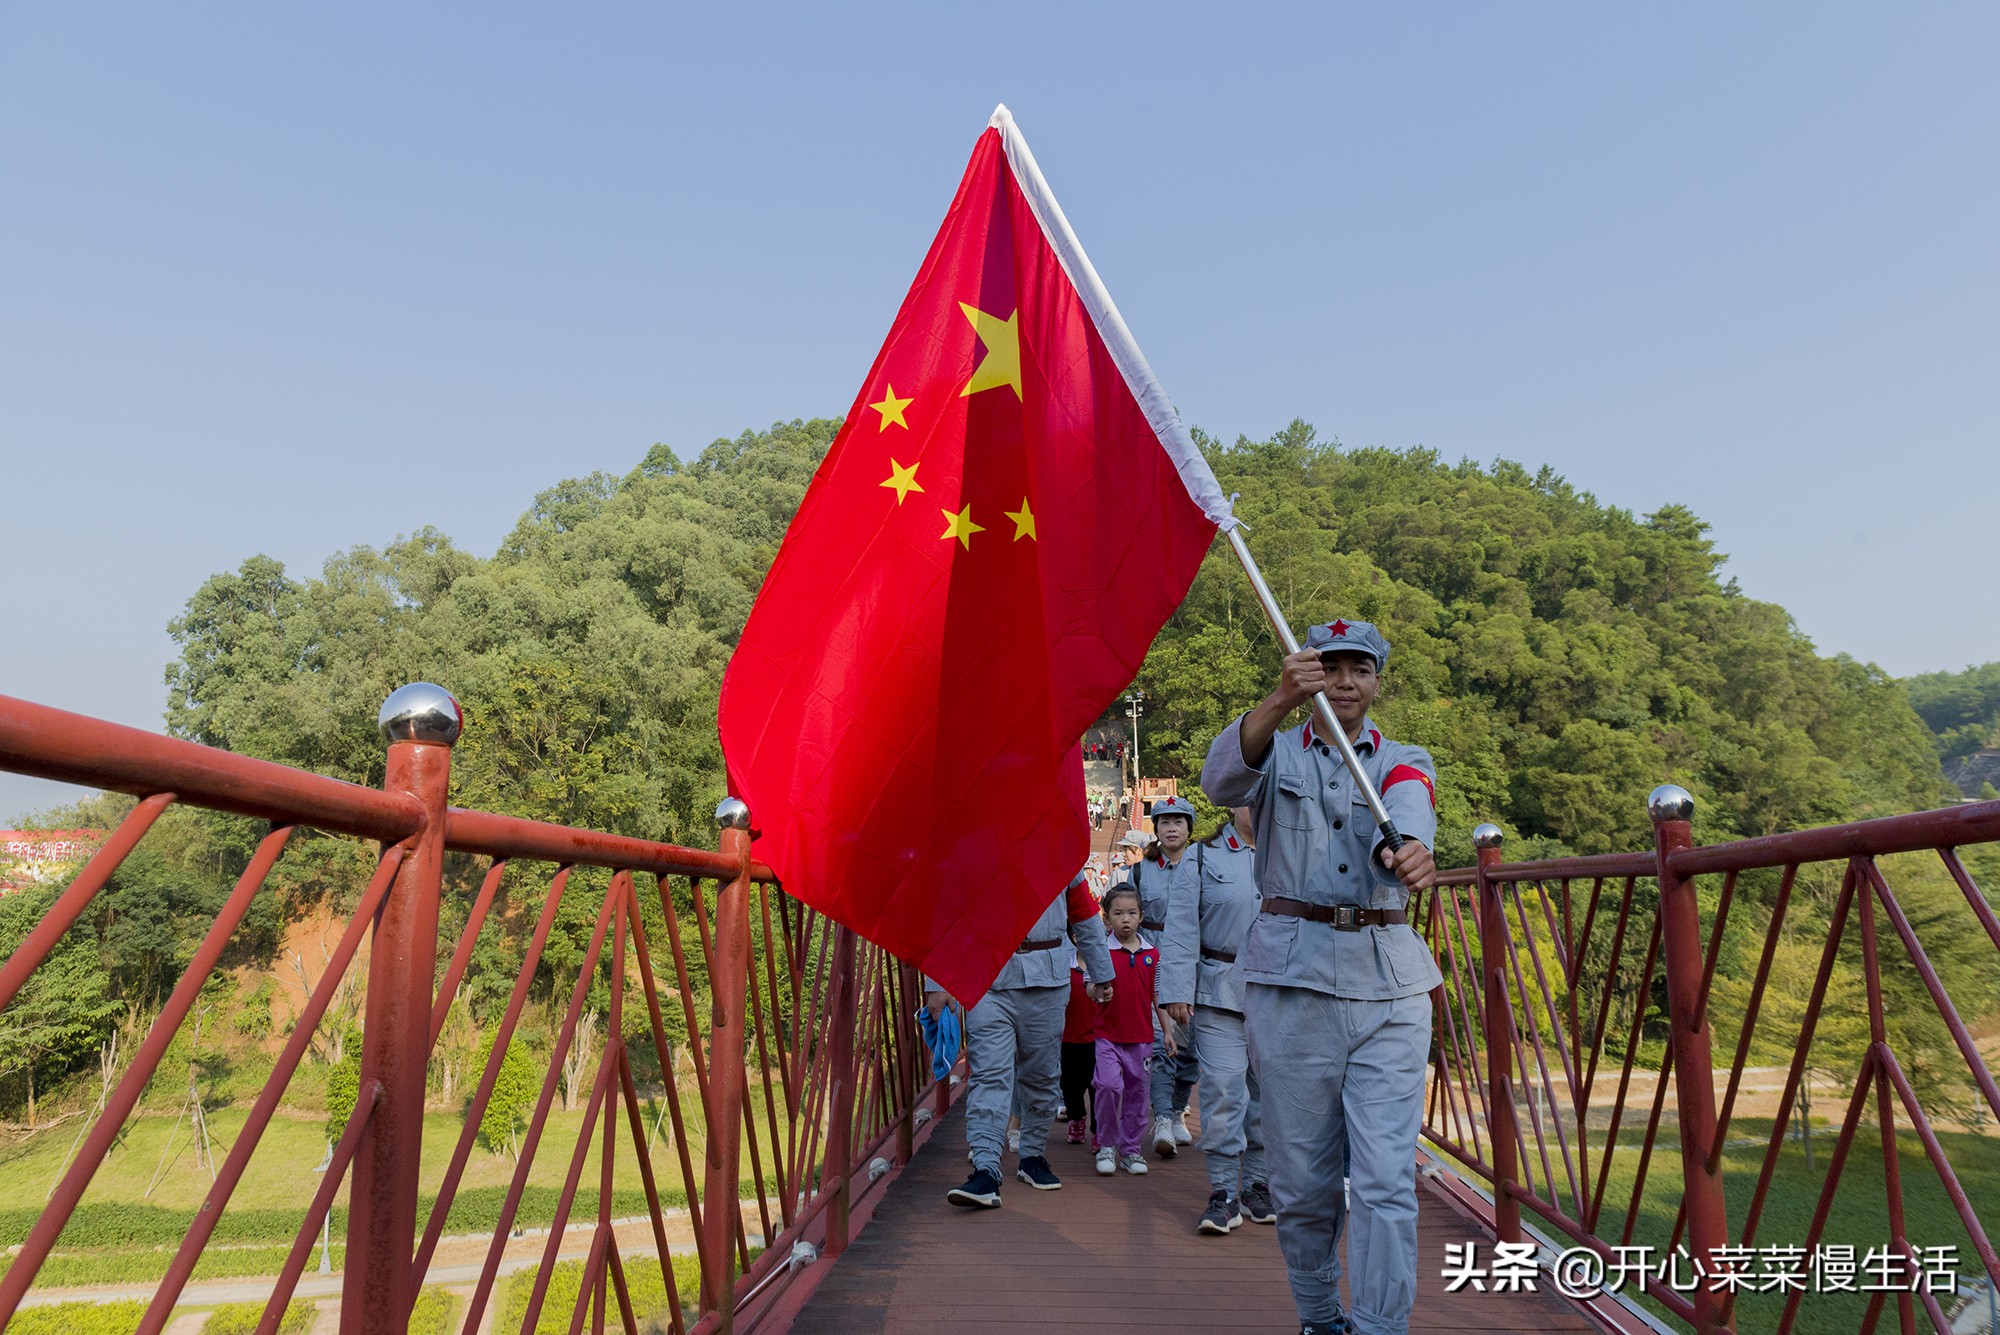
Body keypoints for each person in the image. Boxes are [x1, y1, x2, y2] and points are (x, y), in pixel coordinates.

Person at [1200, 618, 1440, 1335]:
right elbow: (1219, 781)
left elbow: (1407, 809)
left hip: (1388, 985)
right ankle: (1318, 1315)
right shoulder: (1275, 753)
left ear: (1376, 679)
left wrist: (1415, 851)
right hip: (1291, 983)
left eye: (1359, 668)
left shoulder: (1402, 757)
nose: (1344, 680)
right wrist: (1275, 700)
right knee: (1301, 1182)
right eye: (1329, 666)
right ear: (1307, 672)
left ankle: (1378, 1326)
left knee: (1385, 1179)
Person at [929, 869, 1114, 1208]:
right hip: (987, 976)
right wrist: (937, 983)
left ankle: (1032, 1155)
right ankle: (985, 1169)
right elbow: (946, 910)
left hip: (1047, 978)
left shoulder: (1060, 848)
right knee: (989, 1075)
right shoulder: (975, 847)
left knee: (1042, 1077)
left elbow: (1085, 913)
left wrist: (1101, 972)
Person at [1157, 804, 1273, 1235]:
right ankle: (1224, 1191)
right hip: (1219, 991)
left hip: (1278, 995)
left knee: (1266, 1096)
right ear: (1230, 803)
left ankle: (1257, 1185)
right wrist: (1175, 992)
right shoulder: (1202, 857)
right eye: (1246, 797)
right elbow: (1182, 928)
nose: (1255, 805)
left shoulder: (1291, 850)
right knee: (1225, 1091)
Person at [1129, 793, 1202, 1156]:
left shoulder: (1204, 865)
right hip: (1152, 968)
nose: (1171, 828)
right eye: (1164, 822)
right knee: (1162, 1046)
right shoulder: (1141, 871)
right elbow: (1124, 913)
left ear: (1189, 827)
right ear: (1155, 829)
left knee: (1191, 1051)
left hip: (1193, 968)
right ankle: (1161, 1118)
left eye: (1178, 822)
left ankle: (1175, 1111)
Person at [1090, 884, 1168, 1176]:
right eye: (1118, 913)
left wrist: (1168, 1032)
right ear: (1107, 919)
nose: (1126, 919)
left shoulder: (1152, 955)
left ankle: (1131, 1149)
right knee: (1109, 1086)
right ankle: (1107, 1144)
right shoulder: (1101, 952)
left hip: (1141, 1039)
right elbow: (1089, 987)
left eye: (1132, 913)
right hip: (1107, 1035)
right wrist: (1098, 992)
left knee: (1138, 1093)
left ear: (1141, 917)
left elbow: (1158, 996)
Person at [1060, 956, 1098, 1145]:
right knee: (1069, 1084)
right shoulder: (1065, 965)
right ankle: (1076, 1117)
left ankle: (1099, 1131)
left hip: (1097, 1037)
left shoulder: (1101, 963)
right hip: (1068, 1036)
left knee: (1098, 1086)